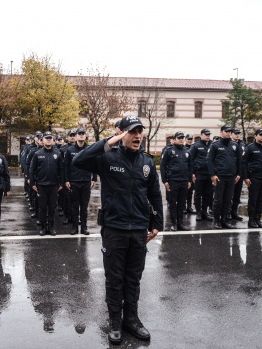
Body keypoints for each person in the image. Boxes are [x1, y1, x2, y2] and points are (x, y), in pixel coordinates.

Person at [73, 115, 163, 345]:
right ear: (120, 133)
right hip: (114, 228)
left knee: (133, 277)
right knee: (114, 279)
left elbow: (154, 194)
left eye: (139, 131)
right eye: (132, 131)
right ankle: (115, 321)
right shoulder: (107, 157)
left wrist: (156, 224)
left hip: (139, 229)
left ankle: (131, 319)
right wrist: (107, 142)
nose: (137, 136)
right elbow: (79, 161)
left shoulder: (147, 162)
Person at [207, 125, 242, 229]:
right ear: (221, 132)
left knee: (228, 200)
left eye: (230, 131)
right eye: (226, 131)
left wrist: (239, 174)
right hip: (220, 177)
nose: (228, 133)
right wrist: (212, 175)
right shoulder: (215, 145)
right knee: (218, 200)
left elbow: (240, 161)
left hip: (231, 177)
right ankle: (217, 221)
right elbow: (209, 161)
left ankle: (225, 220)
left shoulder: (235, 145)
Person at [29, 131, 63, 236]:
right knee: (42, 208)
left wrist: (61, 182)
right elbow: (32, 169)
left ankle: (51, 227)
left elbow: (61, 169)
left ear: (53, 140)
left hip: (53, 185)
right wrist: (33, 183)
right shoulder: (37, 154)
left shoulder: (57, 154)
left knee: (52, 207)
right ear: (42, 140)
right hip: (41, 185)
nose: (48, 140)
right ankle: (43, 228)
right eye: (46, 138)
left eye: (50, 138)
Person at [64, 127, 97, 235]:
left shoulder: (89, 149)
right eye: (79, 133)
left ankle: (84, 227)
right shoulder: (70, 150)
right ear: (76, 136)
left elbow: (94, 163)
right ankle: (74, 227)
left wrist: (94, 178)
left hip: (86, 181)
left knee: (84, 207)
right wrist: (66, 180)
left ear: (85, 136)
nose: (81, 135)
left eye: (83, 133)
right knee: (74, 206)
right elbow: (66, 166)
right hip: (74, 181)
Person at [160, 131, 192, 231]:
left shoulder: (187, 151)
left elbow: (190, 166)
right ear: (174, 139)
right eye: (179, 138)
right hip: (173, 180)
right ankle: (174, 223)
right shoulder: (169, 150)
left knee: (182, 203)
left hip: (184, 181)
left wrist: (189, 180)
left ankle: (180, 223)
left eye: (182, 138)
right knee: (173, 203)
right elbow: (162, 166)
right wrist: (165, 181)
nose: (181, 139)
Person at [243, 128, 262, 228]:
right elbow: (244, 163)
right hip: (254, 178)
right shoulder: (250, 148)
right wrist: (246, 177)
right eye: (261, 134)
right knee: (253, 200)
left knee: (261, 200)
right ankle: (251, 220)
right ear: (256, 136)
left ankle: (258, 219)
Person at [189, 129, 214, 221]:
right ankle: (198, 212)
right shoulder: (196, 146)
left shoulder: (212, 145)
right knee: (198, 194)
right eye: (206, 134)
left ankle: (205, 211)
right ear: (201, 135)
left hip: (209, 173)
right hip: (199, 173)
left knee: (207, 194)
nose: (207, 136)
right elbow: (190, 160)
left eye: (209, 134)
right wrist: (192, 173)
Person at [230, 128, 246, 221]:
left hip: (239, 174)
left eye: (238, 133)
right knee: (228, 195)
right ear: (231, 134)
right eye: (235, 133)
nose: (237, 135)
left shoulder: (242, 144)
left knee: (237, 195)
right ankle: (227, 213)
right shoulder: (229, 144)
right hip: (230, 173)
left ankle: (234, 212)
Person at [184, 134, 196, 214]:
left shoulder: (194, 148)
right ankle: (183, 207)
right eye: (188, 139)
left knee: (190, 191)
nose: (190, 140)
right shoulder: (183, 148)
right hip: (185, 173)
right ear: (185, 139)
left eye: (191, 139)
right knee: (184, 191)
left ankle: (189, 206)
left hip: (193, 173)